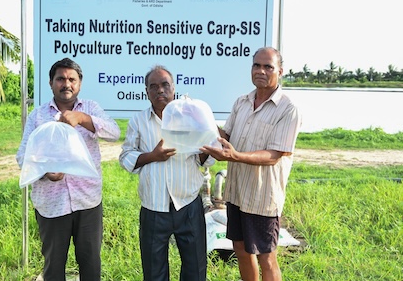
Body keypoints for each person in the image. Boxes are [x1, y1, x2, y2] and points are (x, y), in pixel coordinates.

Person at [200, 47, 302, 281]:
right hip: (236, 192)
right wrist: (202, 118)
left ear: (280, 71)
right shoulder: (242, 102)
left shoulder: (288, 109)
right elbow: (226, 136)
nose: (261, 71)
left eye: (268, 67)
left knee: (267, 256)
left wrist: (236, 156)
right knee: (241, 249)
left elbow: (274, 155)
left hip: (263, 197)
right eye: (257, 65)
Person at [16, 58, 120, 281]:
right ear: (51, 83)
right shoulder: (38, 116)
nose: (67, 84)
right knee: (54, 266)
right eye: (60, 79)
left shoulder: (90, 108)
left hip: (88, 201)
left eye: (72, 79)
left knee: (90, 263)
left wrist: (82, 119)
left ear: (79, 83)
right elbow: (23, 157)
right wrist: (46, 173)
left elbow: (114, 133)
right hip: (51, 204)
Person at [119, 65, 215, 281]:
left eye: (164, 85)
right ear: (146, 92)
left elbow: (209, 157)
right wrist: (153, 155)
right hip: (154, 207)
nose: (159, 90)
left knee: (195, 270)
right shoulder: (138, 121)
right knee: (154, 272)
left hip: (188, 204)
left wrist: (201, 149)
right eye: (153, 86)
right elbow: (125, 158)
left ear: (174, 88)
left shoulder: (191, 116)